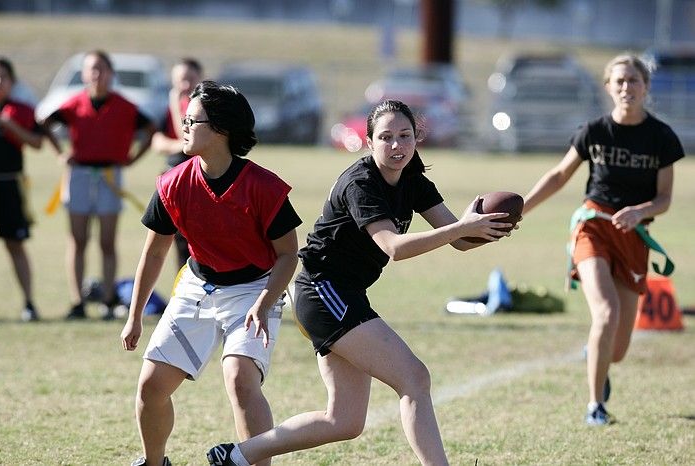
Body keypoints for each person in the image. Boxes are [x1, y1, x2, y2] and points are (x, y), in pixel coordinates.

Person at [206, 99, 515, 466]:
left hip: (343, 293)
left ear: (416, 138)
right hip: (321, 291)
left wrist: (486, 227)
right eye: (386, 137)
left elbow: (459, 239)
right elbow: (394, 247)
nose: (397, 145)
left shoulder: (412, 179)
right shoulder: (361, 183)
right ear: (369, 142)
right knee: (414, 378)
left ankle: (237, 455)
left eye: (405, 136)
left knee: (345, 421)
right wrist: (462, 227)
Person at [121, 81, 301, 466]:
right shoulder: (173, 183)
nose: (183, 127)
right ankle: (154, 463)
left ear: (221, 129)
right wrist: (135, 315)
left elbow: (288, 255)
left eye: (192, 120)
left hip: (255, 289)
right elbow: (154, 253)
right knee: (151, 387)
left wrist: (266, 300)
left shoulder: (263, 186)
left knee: (240, 380)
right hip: (198, 285)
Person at [522, 54, 684, 426]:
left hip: (634, 235)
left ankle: (599, 353)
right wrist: (522, 208)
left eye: (634, 81)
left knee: (620, 348)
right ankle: (595, 406)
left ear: (645, 87)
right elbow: (560, 175)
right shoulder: (594, 131)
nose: (627, 87)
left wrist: (640, 211)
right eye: (620, 81)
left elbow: (665, 198)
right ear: (608, 87)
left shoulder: (662, 137)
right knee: (605, 312)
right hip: (593, 226)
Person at [40, 50, 156, 320]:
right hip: (79, 174)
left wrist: (133, 158)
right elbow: (45, 123)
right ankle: (77, 301)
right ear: (84, 74)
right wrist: (60, 153)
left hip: (109, 175)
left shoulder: (124, 106)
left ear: (111, 74)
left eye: (102, 69)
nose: (97, 74)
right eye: (92, 69)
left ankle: (107, 299)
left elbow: (151, 130)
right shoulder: (74, 103)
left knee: (107, 241)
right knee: (78, 240)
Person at [0, 57, 44, 322]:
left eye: (2, 77)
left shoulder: (21, 111)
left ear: (12, 82)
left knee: (16, 244)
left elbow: (37, 142)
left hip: (9, 185)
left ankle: (29, 302)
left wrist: (9, 125)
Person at [151, 58, 203, 269]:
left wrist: (174, 103)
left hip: (196, 179)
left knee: (193, 240)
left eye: (190, 79)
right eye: (180, 81)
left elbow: (187, 134)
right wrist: (177, 146)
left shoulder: (200, 109)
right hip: (174, 177)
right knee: (176, 241)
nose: (185, 86)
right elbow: (157, 142)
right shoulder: (171, 107)